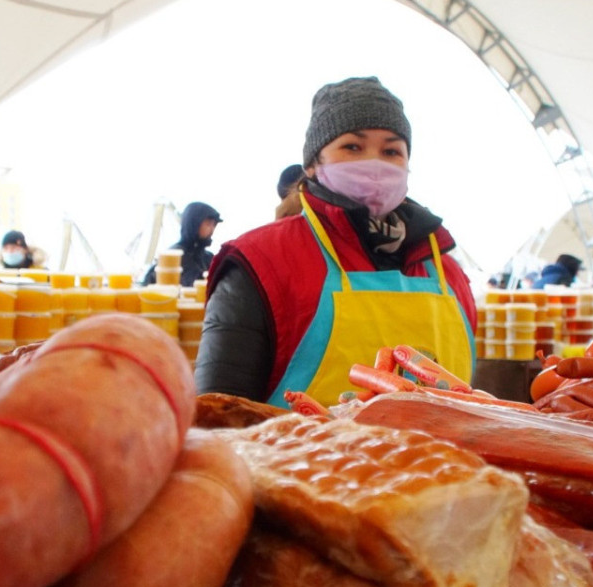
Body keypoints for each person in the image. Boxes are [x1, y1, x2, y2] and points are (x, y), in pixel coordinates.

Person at [195, 76, 478, 408]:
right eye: (353, 147)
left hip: (440, 462)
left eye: (391, 151)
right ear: (314, 164)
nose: (375, 164)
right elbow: (218, 417)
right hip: (295, 460)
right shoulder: (260, 261)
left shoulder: (448, 275)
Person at [142, 201, 223, 287]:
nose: (212, 229)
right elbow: (193, 284)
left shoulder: (208, 257)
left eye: (214, 225)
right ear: (194, 224)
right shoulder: (174, 256)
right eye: (208, 224)